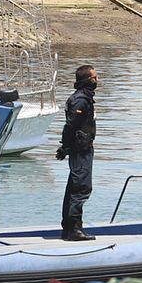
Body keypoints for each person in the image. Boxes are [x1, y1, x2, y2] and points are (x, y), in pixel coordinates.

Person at [55, 64, 97, 241]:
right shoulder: (80, 100)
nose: (96, 80)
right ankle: (74, 229)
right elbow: (70, 125)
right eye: (94, 77)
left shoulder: (85, 98)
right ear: (87, 80)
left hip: (83, 149)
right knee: (81, 187)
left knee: (74, 186)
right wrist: (65, 147)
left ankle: (68, 227)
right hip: (80, 151)